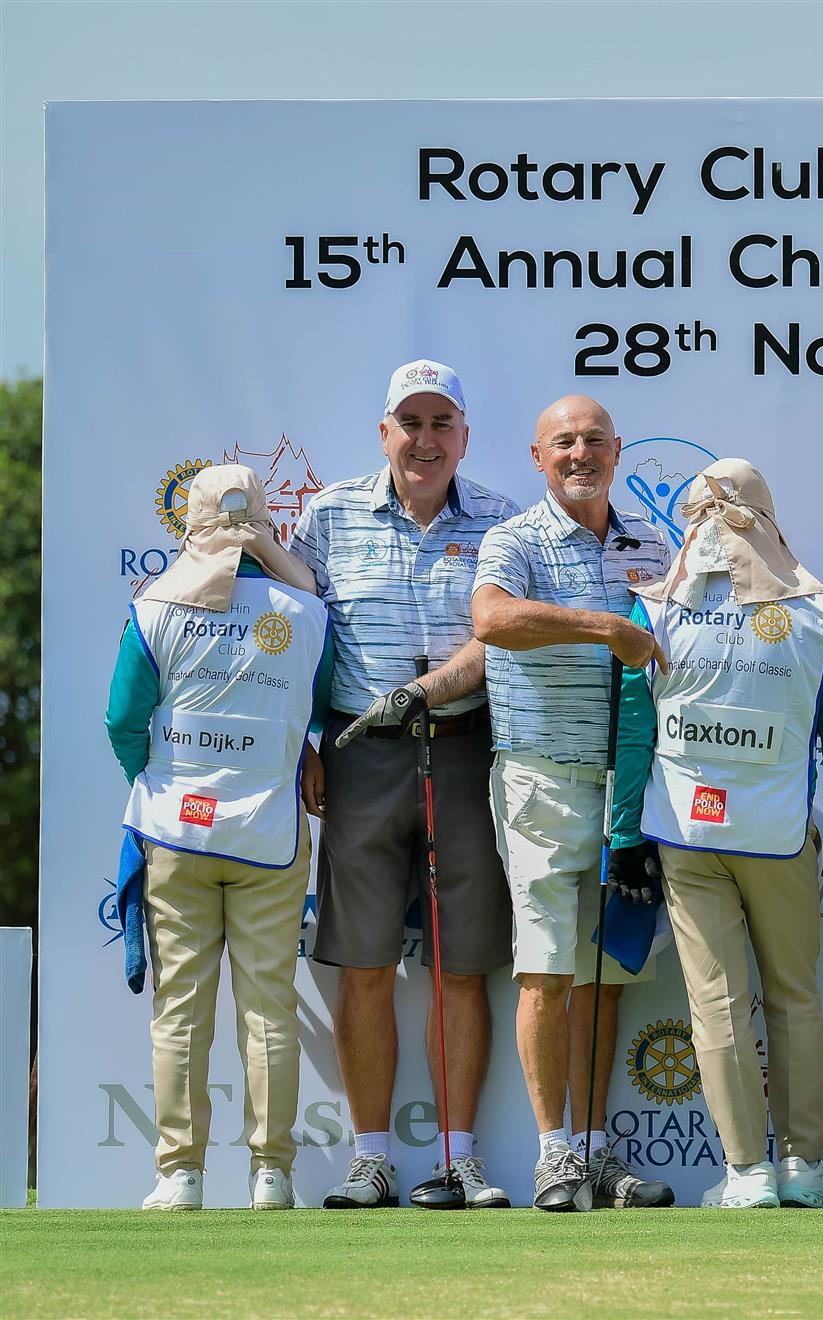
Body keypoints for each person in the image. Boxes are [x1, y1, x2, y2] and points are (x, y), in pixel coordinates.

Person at [294, 359, 520, 1210]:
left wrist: (435, 688)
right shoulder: (328, 514)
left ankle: (459, 1162)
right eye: (411, 423)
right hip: (360, 753)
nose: (426, 440)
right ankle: (371, 1160)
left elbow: (502, 635)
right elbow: (299, 634)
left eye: (441, 423)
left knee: (462, 967)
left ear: (464, 435)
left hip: (466, 750)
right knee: (365, 965)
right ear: (384, 431)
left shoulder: (501, 518)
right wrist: (306, 742)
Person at [610, 458, 823, 1210]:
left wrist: (624, 834)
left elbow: (635, 732)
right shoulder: (818, 609)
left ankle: (748, 1172)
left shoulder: (654, 608)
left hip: (688, 829)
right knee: (795, 995)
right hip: (779, 830)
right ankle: (804, 1170)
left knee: (716, 1002)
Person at [471, 395, 677, 1213]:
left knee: (605, 972)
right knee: (548, 971)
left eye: (594, 440)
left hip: (629, 789)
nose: (580, 453)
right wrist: (603, 627)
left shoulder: (651, 543)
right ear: (538, 456)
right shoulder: (514, 539)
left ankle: (594, 1152)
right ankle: (553, 1152)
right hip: (542, 777)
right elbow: (491, 619)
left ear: (618, 451)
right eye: (564, 442)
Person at [105, 465, 330, 1210]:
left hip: (176, 831)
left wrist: (158, 779)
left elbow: (122, 721)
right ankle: (273, 1174)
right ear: (266, 524)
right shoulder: (306, 610)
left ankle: (180, 1174)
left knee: (180, 1008)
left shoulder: (152, 607)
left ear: (189, 526)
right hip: (269, 833)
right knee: (268, 1006)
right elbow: (319, 705)